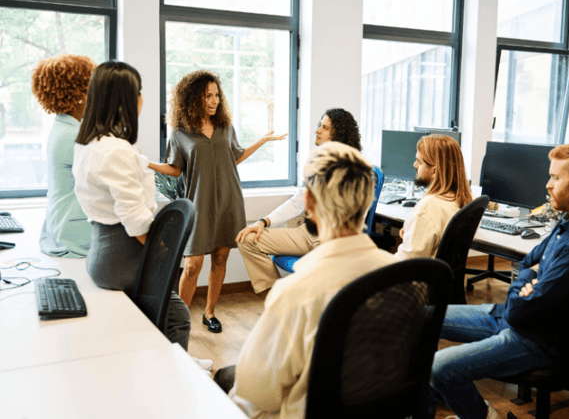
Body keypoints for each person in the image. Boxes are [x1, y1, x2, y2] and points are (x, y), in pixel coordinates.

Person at [428, 140, 569, 419]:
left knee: (439, 366)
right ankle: (427, 404)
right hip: (515, 319)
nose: (548, 185)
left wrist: (524, 286)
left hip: (536, 340)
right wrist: (529, 279)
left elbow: (522, 311)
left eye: (555, 177)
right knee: (423, 317)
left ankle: (483, 416)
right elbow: (529, 261)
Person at [218, 141, 398, 418]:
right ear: (367, 200)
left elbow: (256, 392)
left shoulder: (294, 294)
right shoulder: (404, 278)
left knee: (226, 384)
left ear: (309, 202)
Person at [149, 70, 286, 334]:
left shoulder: (225, 128)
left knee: (220, 258)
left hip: (229, 200)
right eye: (207, 96)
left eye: (216, 95)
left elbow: (235, 157)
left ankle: (210, 312)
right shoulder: (180, 133)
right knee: (191, 266)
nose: (214, 101)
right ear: (192, 99)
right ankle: (179, 320)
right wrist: (145, 162)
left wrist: (262, 141)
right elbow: (175, 169)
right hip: (198, 203)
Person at [72, 61, 193, 354]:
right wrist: (164, 258)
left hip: (102, 252)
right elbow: (137, 223)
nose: (142, 98)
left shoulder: (88, 144)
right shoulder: (115, 151)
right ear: (125, 99)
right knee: (178, 318)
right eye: (139, 91)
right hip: (124, 257)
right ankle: (177, 381)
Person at [235, 108, 362, 294]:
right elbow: (297, 202)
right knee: (248, 240)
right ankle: (276, 297)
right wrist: (263, 222)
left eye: (325, 127)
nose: (318, 130)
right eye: (320, 124)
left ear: (338, 136)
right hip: (306, 233)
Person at [32, 54, 96, 258]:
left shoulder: (63, 127)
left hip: (60, 229)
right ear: (81, 94)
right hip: (74, 240)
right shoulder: (73, 137)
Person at [393, 134, 472, 260]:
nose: (414, 165)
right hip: (440, 274)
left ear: (434, 171)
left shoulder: (429, 205)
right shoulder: (464, 199)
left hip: (415, 276)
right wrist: (413, 229)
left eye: (419, 161)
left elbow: (407, 261)